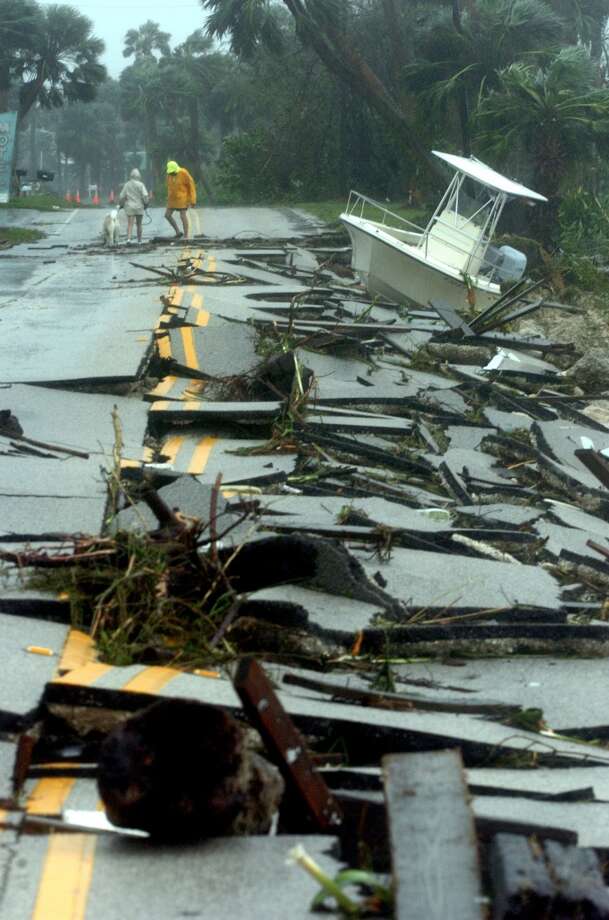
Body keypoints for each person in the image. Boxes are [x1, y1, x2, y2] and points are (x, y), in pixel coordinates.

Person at [165, 160, 196, 239]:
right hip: (172, 199)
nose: (172, 173)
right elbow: (169, 186)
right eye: (170, 172)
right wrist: (168, 197)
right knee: (167, 215)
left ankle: (186, 235)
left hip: (182, 198)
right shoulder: (169, 175)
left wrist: (192, 200)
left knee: (182, 216)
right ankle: (178, 232)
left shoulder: (183, 172)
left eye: (173, 172)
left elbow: (191, 186)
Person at [118, 168, 149, 244]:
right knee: (139, 224)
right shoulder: (141, 185)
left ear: (131, 176)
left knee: (130, 224)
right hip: (139, 207)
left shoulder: (127, 184)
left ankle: (128, 239)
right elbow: (145, 196)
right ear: (139, 176)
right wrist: (146, 204)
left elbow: (121, 196)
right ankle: (139, 241)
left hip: (129, 207)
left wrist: (121, 204)